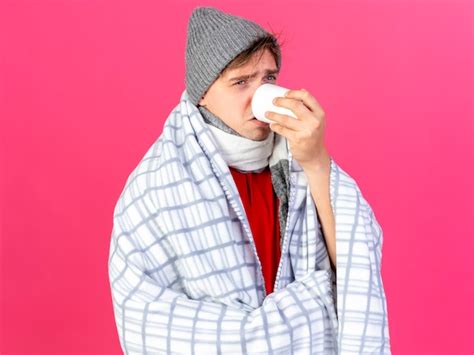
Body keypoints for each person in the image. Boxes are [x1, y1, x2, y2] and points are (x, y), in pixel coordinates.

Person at [108, 6, 391, 354]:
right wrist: (299, 316)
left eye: (268, 79)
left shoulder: (298, 159)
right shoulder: (155, 188)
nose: (260, 95)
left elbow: (354, 264)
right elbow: (147, 322)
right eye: (241, 82)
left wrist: (317, 161)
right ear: (202, 94)